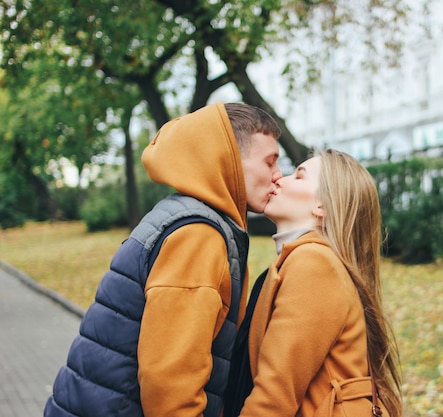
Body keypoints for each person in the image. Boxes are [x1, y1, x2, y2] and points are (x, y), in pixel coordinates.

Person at [44, 102, 282, 417]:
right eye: (270, 163)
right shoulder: (199, 235)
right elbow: (170, 388)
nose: (279, 176)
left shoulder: (188, 218)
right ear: (229, 162)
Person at [226, 149, 403, 417]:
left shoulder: (313, 263)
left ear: (322, 206)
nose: (279, 179)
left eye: (298, 176)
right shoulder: (306, 259)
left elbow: (274, 396)